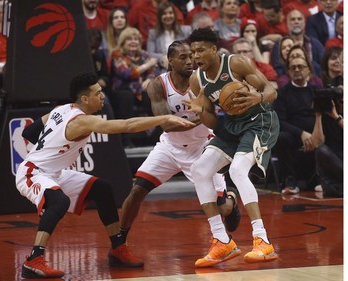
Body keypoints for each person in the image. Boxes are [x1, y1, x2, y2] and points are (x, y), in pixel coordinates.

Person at [16, 72, 194, 279]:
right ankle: (33, 260)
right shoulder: (81, 121)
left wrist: (52, 150)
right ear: (84, 99)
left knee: (102, 189)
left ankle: (118, 249)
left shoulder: (60, 109)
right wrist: (164, 117)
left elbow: (28, 133)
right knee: (59, 202)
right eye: (98, 93)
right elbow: (126, 126)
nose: (103, 96)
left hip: (53, 172)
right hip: (32, 172)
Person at [119, 41, 241, 250]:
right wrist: (202, 117)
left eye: (191, 56)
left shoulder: (203, 82)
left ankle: (231, 197)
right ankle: (119, 241)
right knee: (137, 191)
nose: (189, 61)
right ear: (171, 61)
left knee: (222, 210)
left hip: (203, 146)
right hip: (170, 147)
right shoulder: (158, 85)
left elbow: (217, 115)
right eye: (183, 57)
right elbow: (166, 125)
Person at [182, 27, 279, 267]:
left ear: (214, 50)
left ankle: (262, 240)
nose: (195, 56)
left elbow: (271, 90)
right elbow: (213, 121)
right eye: (192, 52)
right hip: (234, 125)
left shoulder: (237, 64)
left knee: (237, 171)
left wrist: (258, 97)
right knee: (200, 170)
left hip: (260, 121)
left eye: (200, 50)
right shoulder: (197, 80)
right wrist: (202, 111)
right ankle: (222, 240)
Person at [272, 56, 321, 194]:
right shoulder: (281, 93)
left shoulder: (316, 91)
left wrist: (314, 135)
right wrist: (301, 134)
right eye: (293, 67)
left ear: (308, 70)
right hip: (293, 135)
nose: (297, 70)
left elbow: (322, 116)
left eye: (301, 66)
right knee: (281, 137)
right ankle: (290, 179)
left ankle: (320, 178)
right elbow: (279, 121)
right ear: (288, 72)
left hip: (315, 133)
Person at [271, 9, 324, 77]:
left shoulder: (315, 43)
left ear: (304, 22)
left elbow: (323, 67)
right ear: (287, 23)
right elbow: (278, 69)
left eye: (299, 19)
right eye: (293, 19)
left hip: (313, 81)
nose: (296, 22)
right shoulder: (279, 45)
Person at [147, 2, 192, 72]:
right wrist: (162, 57)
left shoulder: (186, 30)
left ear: (174, 15)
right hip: (163, 68)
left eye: (170, 13)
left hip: (184, 67)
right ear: (159, 17)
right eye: (164, 14)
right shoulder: (153, 33)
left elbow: (192, 49)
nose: (168, 16)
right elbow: (150, 54)